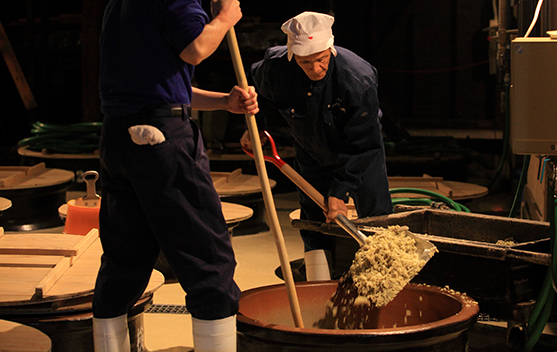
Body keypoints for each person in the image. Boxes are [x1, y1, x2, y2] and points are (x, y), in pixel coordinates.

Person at [92, 0, 258, 351]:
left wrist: (224, 102)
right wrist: (225, 18)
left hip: (119, 136)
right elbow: (196, 49)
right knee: (208, 259)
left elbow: (159, 87)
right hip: (161, 140)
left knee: (125, 259)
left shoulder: (120, 6)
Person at [241, 11, 392, 282]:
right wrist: (256, 127)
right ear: (292, 56)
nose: (315, 69)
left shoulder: (357, 79)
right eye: (305, 62)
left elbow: (363, 143)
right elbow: (253, 88)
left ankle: (381, 282)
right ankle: (318, 283)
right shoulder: (275, 67)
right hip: (310, 151)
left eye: (321, 59)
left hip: (359, 156)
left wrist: (340, 191)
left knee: (376, 219)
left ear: (330, 49)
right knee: (313, 222)